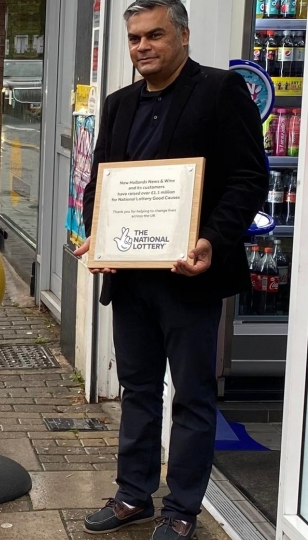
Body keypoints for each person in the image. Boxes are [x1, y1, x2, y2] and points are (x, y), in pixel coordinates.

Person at [74, 2, 267, 539]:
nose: (143, 47)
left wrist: (210, 239)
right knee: (137, 390)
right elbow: (101, 184)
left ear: (183, 34)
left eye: (154, 35)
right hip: (131, 277)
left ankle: (182, 508)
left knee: (192, 395)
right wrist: (97, 232)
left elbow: (249, 179)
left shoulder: (221, 91)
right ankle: (133, 494)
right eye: (135, 38)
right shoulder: (117, 104)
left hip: (191, 275)